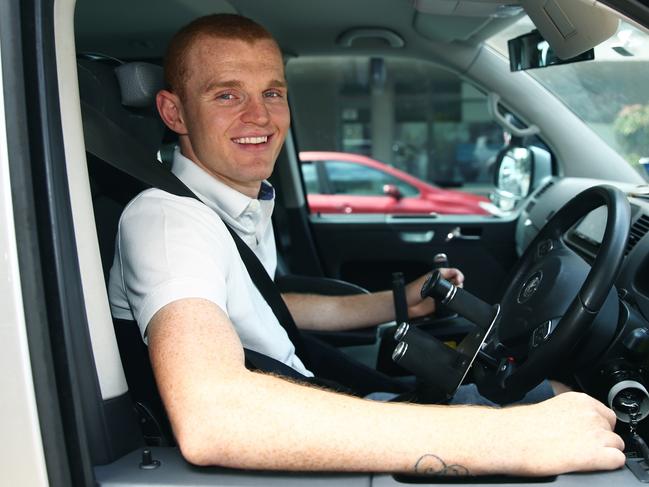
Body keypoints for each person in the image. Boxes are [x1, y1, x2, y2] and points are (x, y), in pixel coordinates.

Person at [108, 13, 625, 476]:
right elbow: (212, 416)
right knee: (558, 404)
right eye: (226, 95)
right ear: (174, 114)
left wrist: (398, 303)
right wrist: (511, 437)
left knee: (558, 402)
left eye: (272, 92)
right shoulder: (170, 222)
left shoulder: (233, 204)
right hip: (274, 432)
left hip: (303, 401)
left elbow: (260, 305)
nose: (260, 117)